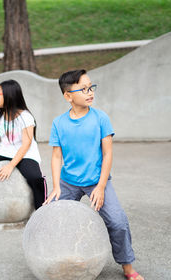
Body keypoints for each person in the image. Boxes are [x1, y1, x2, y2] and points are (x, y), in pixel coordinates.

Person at [44, 70, 144, 280]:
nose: (90, 92)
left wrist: (100, 187)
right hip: (68, 182)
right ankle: (66, 258)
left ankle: (127, 266)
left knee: (118, 222)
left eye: (91, 87)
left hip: (97, 181)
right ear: (68, 96)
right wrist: (56, 187)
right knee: (54, 219)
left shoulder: (100, 118)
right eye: (84, 89)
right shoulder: (58, 123)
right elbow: (56, 157)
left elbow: (107, 154)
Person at [0, 79, 46, 210]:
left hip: (25, 153)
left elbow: (26, 143)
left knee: (34, 177)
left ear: (9, 95)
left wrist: (11, 166)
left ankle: (42, 208)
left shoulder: (25, 117)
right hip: (3, 151)